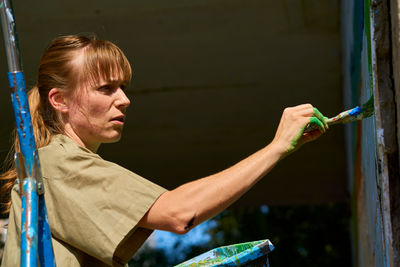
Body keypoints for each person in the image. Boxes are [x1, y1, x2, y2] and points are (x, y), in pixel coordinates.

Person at [0, 34, 328, 267]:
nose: (124, 99)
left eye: (123, 88)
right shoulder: (56, 162)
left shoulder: (58, 162)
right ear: (59, 100)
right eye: (106, 88)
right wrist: (277, 147)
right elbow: (179, 213)